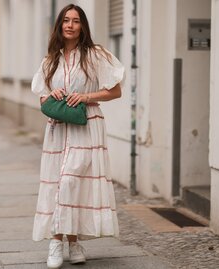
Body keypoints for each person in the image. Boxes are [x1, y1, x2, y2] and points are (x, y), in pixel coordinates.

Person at [31, 4, 125, 269]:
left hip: (87, 125)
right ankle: (69, 243)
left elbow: (115, 91)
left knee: (72, 181)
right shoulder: (51, 60)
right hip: (58, 128)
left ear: (83, 26)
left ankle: (56, 240)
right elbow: (41, 94)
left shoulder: (96, 55)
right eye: (66, 20)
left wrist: (86, 96)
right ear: (60, 25)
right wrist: (53, 95)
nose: (70, 25)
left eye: (76, 21)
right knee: (60, 182)